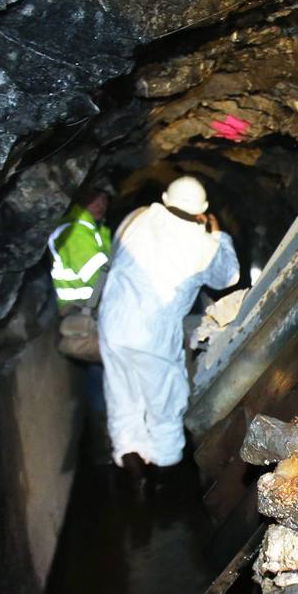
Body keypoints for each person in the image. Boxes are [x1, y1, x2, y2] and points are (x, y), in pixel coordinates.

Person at [98, 176, 239, 470]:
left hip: (113, 324)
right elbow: (228, 277)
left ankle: (127, 455)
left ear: (164, 198)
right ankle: (165, 468)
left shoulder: (136, 218)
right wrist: (218, 235)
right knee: (164, 402)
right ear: (203, 209)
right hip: (152, 332)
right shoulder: (203, 245)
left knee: (122, 392)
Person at [49, 188, 112, 311]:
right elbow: (92, 272)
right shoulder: (75, 230)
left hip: (94, 302)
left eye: (104, 200)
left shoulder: (97, 230)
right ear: (82, 199)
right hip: (78, 306)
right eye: (94, 200)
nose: (101, 205)